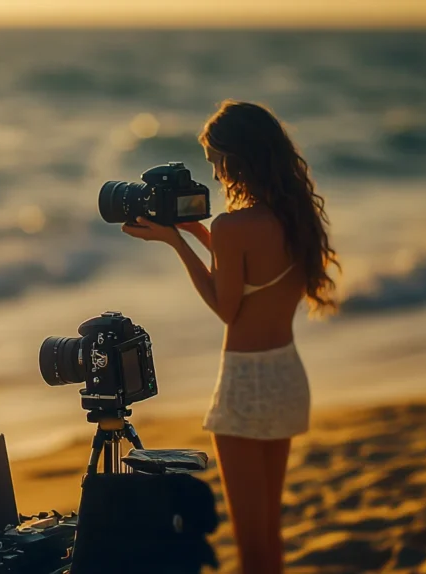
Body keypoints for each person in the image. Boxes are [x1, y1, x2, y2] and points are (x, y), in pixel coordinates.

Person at [121, 100, 339, 574]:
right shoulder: (296, 216)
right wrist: (202, 233)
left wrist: (178, 243)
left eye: (216, 163)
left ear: (235, 159)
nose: (216, 178)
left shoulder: (233, 226)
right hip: (286, 377)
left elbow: (228, 309)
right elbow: (254, 277)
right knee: (268, 533)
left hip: (245, 386)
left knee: (249, 539)